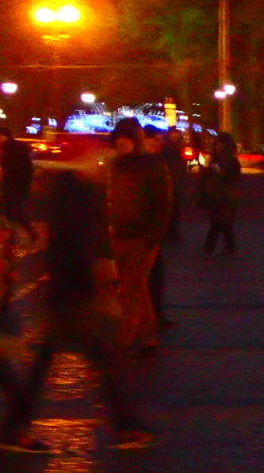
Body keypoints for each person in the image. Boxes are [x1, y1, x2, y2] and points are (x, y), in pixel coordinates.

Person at [1, 167, 152, 453]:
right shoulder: (76, 193)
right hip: (73, 296)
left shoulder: (65, 192)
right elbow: (73, 245)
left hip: (66, 293)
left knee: (46, 364)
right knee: (101, 361)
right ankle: (128, 426)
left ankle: (15, 425)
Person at [107, 117, 172, 359]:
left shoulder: (152, 166)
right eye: (118, 139)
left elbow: (163, 205)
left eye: (126, 139)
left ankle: (122, 341)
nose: (121, 144)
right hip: (121, 234)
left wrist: (152, 238)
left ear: (135, 140)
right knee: (137, 289)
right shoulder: (117, 164)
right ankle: (148, 340)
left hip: (142, 237)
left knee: (130, 291)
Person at [142, 126, 175, 329]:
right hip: (142, 230)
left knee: (155, 276)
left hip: (153, 229)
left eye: (159, 140)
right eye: (154, 139)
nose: (158, 143)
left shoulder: (157, 162)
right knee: (145, 278)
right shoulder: (143, 164)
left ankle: (154, 316)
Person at [202, 132, 241, 255]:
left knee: (219, 223)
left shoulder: (231, 161)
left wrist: (220, 172)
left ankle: (212, 247)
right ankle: (227, 248)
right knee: (222, 223)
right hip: (219, 195)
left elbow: (233, 177)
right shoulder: (221, 160)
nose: (217, 147)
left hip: (225, 195)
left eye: (220, 145)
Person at [0, 126, 35, 243]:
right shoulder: (12, 147)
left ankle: (28, 234)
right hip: (17, 185)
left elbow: (12, 169)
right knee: (11, 211)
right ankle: (13, 236)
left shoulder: (11, 149)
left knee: (13, 211)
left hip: (15, 186)